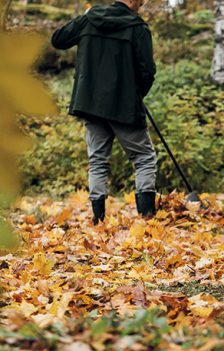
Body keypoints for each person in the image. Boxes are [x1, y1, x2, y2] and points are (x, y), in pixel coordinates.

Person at [51, 0, 157, 224]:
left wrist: (84, 17)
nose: (143, 3)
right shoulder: (138, 28)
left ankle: (98, 220)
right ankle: (147, 219)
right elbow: (147, 72)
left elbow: (59, 39)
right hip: (124, 106)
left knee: (98, 160)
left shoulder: (90, 19)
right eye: (141, 0)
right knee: (144, 158)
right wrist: (135, 94)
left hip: (90, 104)